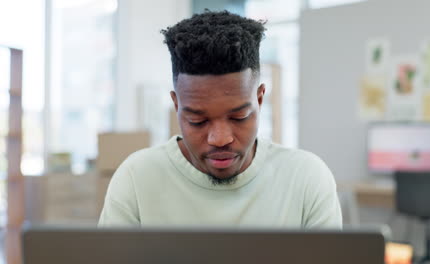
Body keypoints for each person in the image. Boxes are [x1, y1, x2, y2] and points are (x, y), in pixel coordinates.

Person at [99, 10, 342, 228]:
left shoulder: (306, 179)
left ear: (259, 100)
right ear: (176, 105)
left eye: (239, 117)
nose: (220, 139)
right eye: (198, 121)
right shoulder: (137, 178)